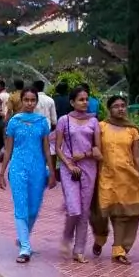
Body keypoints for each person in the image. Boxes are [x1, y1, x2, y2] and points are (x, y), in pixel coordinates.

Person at [90, 94, 139, 264]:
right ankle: (100, 238)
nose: (120, 109)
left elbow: (137, 157)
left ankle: (119, 250)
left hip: (127, 178)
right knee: (100, 215)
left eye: (123, 105)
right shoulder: (100, 127)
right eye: (116, 106)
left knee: (124, 215)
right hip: (104, 177)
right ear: (109, 109)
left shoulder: (133, 130)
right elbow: (95, 149)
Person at [0, 86, 55, 262]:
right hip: (18, 168)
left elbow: (47, 149)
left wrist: (52, 171)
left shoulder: (42, 122)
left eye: (33, 100)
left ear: (36, 102)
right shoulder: (14, 122)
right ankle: (25, 247)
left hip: (38, 169)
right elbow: (8, 150)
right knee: (21, 206)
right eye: (27, 100)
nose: (30, 103)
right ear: (21, 101)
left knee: (34, 208)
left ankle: (23, 236)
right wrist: (1, 173)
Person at [55, 86, 101, 262]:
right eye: (81, 99)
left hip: (89, 168)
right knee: (74, 208)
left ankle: (79, 250)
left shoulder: (93, 121)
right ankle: (67, 238)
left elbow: (97, 149)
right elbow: (58, 148)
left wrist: (84, 155)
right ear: (72, 102)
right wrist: (68, 164)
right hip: (69, 169)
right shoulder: (63, 120)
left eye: (86, 99)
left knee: (84, 211)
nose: (85, 102)